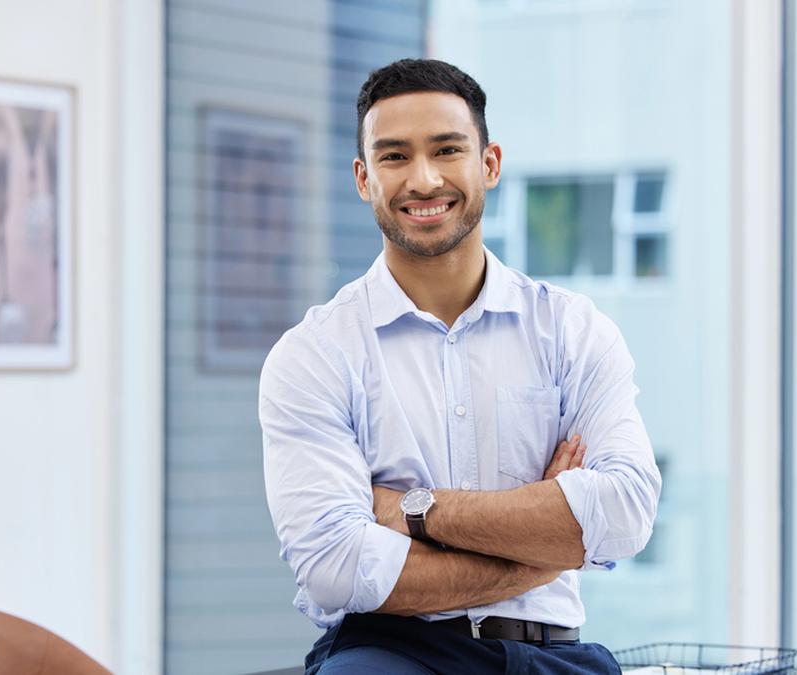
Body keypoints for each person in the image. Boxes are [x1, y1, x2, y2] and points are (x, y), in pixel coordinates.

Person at [258, 58, 662, 674]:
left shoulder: (572, 331)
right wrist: (546, 545)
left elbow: (625, 510)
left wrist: (412, 511)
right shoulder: (314, 355)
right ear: (364, 179)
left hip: (552, 653)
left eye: (447, 149)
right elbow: (336, 567)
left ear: (489, 164)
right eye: (394, 157)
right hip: (387, 653)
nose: (423, 179)